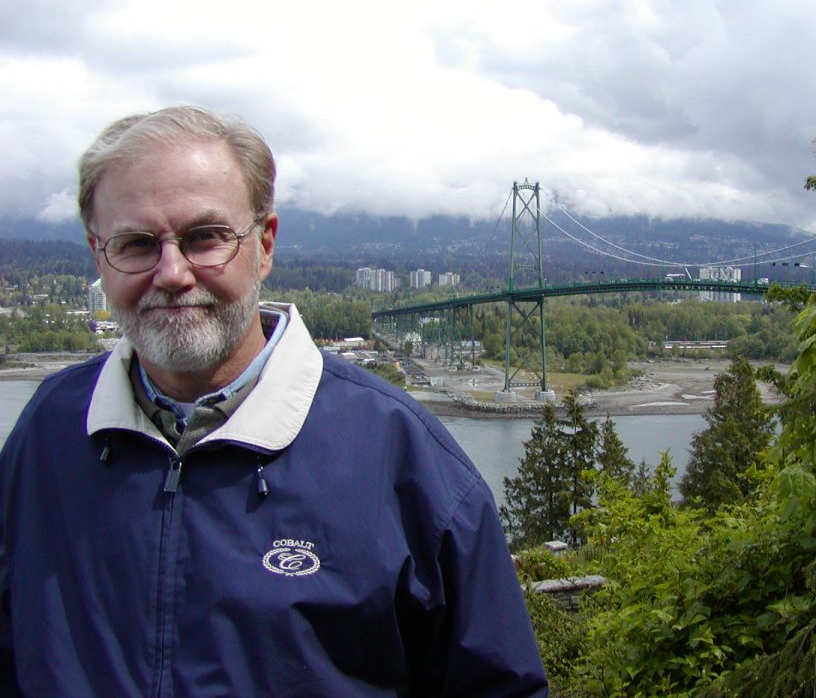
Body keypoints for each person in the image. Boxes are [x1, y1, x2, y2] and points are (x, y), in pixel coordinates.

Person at [0, 106, 548, 697]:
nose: (173, 273)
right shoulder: (49, 430)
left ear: (264, 244)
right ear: (97, 254)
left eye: (205, 237)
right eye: (135, 244)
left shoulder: (398, 453)